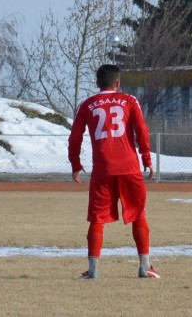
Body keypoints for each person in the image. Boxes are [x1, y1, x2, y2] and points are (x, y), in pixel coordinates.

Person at [68, 64, 160, 279]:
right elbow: (142, 130)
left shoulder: (87, 104)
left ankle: (92, 270)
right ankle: (145, 267)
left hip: (103, 170)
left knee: (97, 219)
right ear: (117, 83)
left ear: (97, 83)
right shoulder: (129, 100)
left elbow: (75, 137)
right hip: (129, 168)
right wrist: (147, 157)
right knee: (138, 215)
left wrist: (75, 164)